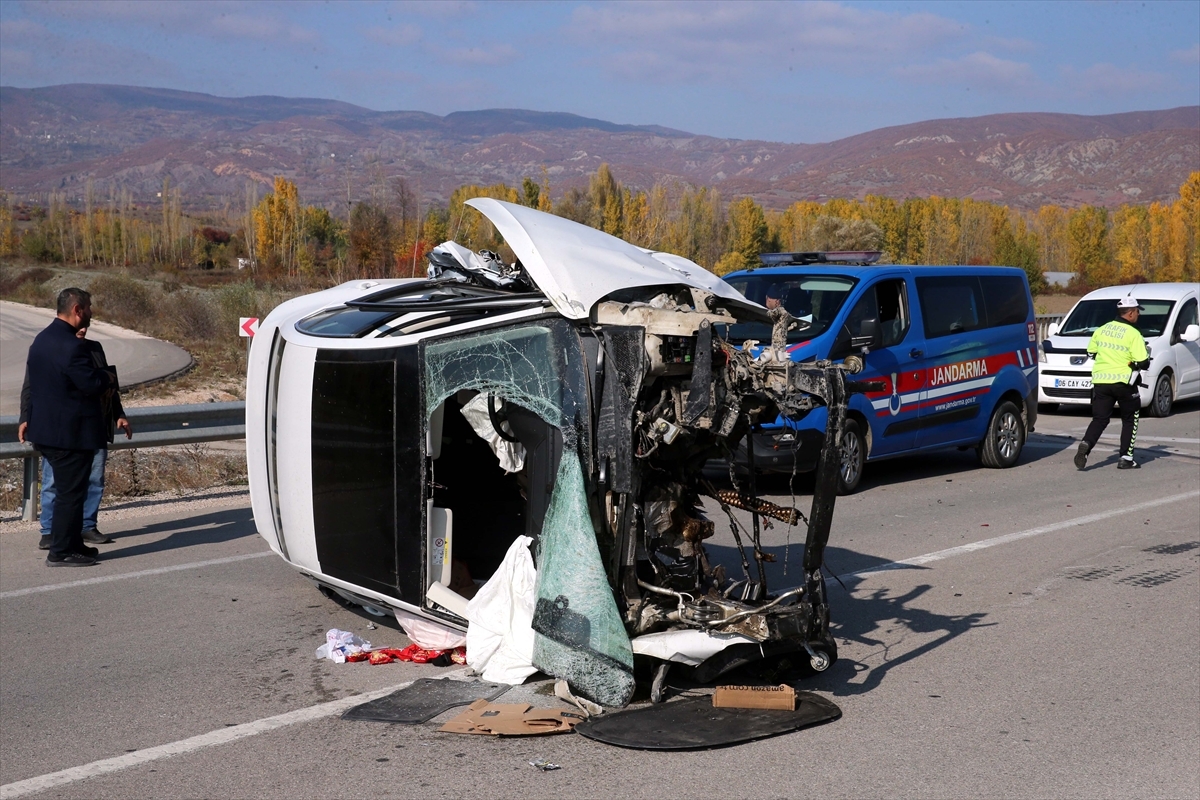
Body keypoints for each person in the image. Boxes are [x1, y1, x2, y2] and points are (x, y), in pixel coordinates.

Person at [22, 288, 117, 566]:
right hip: (70, 434)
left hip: (49, 431)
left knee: (70, 491)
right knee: (71, 494)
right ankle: (61, 552)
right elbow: (91, 384)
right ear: (77, 310)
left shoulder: (43, 339)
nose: (91, 312)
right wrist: (106, 376)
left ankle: (74, 543)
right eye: (88, 307)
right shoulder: (71, 345)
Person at [1074, 295, 1150, 471]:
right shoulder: (1134, 334)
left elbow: (1091, 353)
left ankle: (1086, 444)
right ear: (1130, 313)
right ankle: (1126, 458)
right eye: (1137, 311)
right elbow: (1144, 361)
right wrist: (1136, 362)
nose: (1138, 315)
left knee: (1100, 419)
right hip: (1124, 382)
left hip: (1101, 381)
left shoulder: (1102, 329)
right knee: (1130, 418)